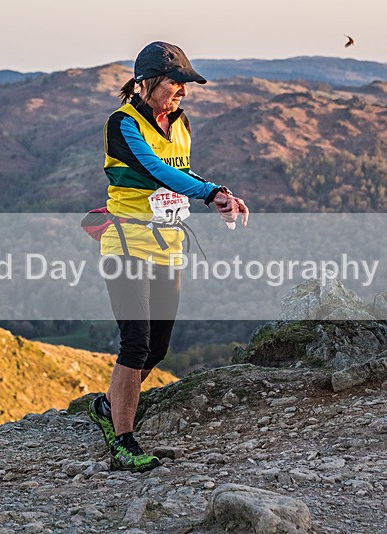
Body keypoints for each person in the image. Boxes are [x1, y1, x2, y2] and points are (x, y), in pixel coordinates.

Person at [87, 41, 249, 472]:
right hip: (125, 244)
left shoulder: (181, 123)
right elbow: (154, 169)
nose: (182, 91)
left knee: (157, 348)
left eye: (185, 84)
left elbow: (180, 171)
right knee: (136, 343)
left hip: (167, 246)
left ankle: (107, 406)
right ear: (145, 82)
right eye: (175, 83)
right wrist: (210, 193)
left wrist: (220, 193)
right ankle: (123, 441)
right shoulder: (122, 124)